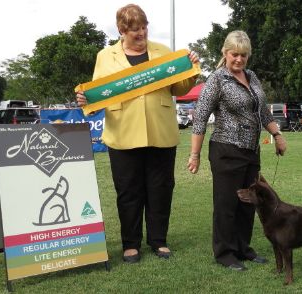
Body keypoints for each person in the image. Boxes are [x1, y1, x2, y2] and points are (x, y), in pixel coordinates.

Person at [76, 4, 199, 263]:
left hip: (161, 131)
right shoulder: (105, 56)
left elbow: (179, 88)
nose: (141, 33)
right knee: (128, 191)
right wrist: (84, 98)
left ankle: (158, 240)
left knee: (161, 189)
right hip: (122, 133)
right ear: (121, 30)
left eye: (144, 27)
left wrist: (191, 72)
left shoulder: (164, 52)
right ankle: (130, 244)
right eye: (134, 30)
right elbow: (97, 94)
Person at [187, 30, 286, 271]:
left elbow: (263, 112)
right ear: (225, 53)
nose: (239, 60)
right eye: (234, 54)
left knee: (248, 203)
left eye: (243, 55)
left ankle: (243, 248)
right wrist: (195, 154)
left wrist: (277, 134)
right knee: (227, 204)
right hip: (226, 150)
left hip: (251, 151)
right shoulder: (217, 79)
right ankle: (224, 253)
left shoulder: (251, 77)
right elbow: (200, 117)